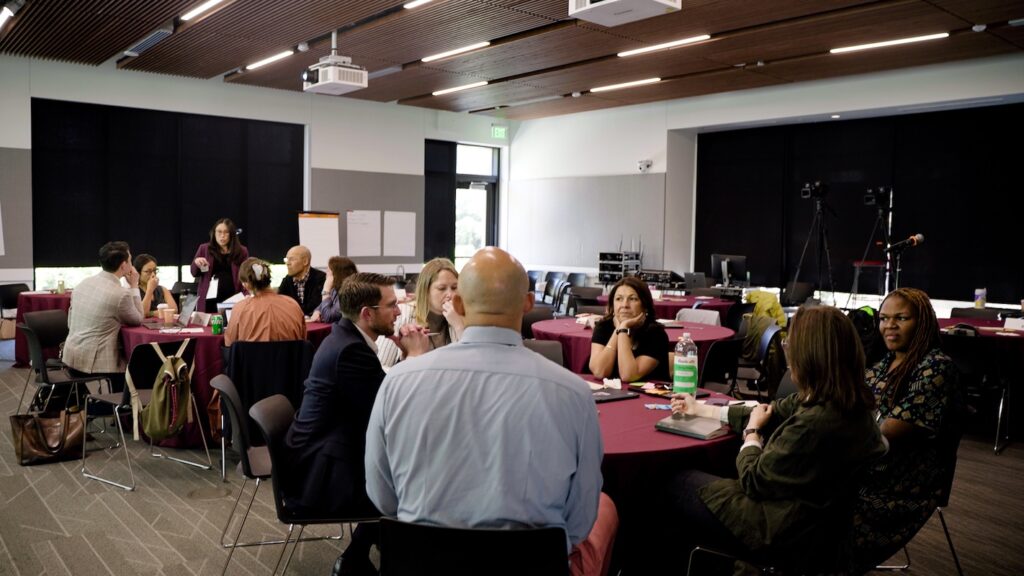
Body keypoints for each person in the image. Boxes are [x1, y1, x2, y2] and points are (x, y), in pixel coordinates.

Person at [365, 247, 618, 576]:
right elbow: (580, 518)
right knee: (606, 510)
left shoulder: (399, 381)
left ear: (458, 304)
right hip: (530, 565)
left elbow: (382, 495)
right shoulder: (574, 393)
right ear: (528, 304)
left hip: (421, 563)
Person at [667, 305, 887, 572]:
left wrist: (752, 433)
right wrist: (701, 409)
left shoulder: (815, 423)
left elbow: (753, 480)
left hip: (785, 527)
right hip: (821, 523)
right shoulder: (843, 400)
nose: (786, 351)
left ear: (808, 355)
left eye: (789, 344)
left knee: (673, 482)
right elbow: (770, 412)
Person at [286, 273, 430, 576]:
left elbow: (379, 397)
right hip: (321, 473)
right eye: (391, 305)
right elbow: (392, 410)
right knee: (410, 484)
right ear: (367, 313)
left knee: (399, 472)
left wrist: (406, 356)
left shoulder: (345, 338)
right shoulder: (350, 351)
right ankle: (373, 558)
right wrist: (415, 358)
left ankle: (357, 557)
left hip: (324, 451)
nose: (398, 311)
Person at [851, 288, 962, 569]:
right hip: (868, 462)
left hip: (899, 480)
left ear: (922, 322)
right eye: (884, 318)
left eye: (901, 318)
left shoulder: (936, 367)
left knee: (805, 495)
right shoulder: (886, 362)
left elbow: (886, 430)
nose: (889, 325)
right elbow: (849, 404)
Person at [63, 241, 144, 391]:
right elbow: (138, 319)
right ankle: (117, 404)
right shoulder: (120, 294)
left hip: (72, 355)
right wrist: (134, 285)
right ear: (123, 265)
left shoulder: (83, 284)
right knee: (138, 368)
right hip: (94, 362)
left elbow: (70, 322)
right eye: (130, 260)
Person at [376, 257, 465, 368]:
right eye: (442, 288)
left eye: (454, 287)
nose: (450, 295)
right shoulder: (402, 314)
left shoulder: (460, 318)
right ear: (425, 291)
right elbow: (381, 366)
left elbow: (469, 362)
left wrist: (459, 327)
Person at [588, 276, 670, 382]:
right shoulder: (603, 327)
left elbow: (628, 375)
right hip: (610, 392)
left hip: (645, 392)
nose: (625, 305)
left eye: (633, 299)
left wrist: (622, 330)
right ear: (612, 305)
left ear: (645, 305)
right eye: (619, 299)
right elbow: (600, 372)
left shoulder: (656, 334)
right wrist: (618, 330)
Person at [223, 258, 306, 347]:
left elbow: (229, 343)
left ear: (246, 284)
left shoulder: (239, 308)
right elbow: (303, 338)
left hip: (252, 356)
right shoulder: (293, 304)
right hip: (289, 356)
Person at [191, 218, 249, 312]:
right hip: (209, 299)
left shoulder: (242, 251)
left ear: (232, 234)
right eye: (219, 232)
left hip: (234, 298)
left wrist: (246, 294)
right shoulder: (204, 248)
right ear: (214, 233)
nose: (222, 235)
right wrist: (196, 263)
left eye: (226, 232)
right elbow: (194, 273)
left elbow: (246, 276)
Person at [278, 245, 327, 317]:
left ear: (305, 261)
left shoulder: (321, 278)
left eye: (292, 259)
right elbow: (279, 304)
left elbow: (316, 305)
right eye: (286, 259)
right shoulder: (287, 280)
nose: (288, 263)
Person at [309, 256, 357, 323]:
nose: (326, 273)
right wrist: (317, 311)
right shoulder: (335, 289)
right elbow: (321, 307)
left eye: (328, 270)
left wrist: (326, 290)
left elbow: (329, 317)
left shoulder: (348, 292)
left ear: (338, 274)